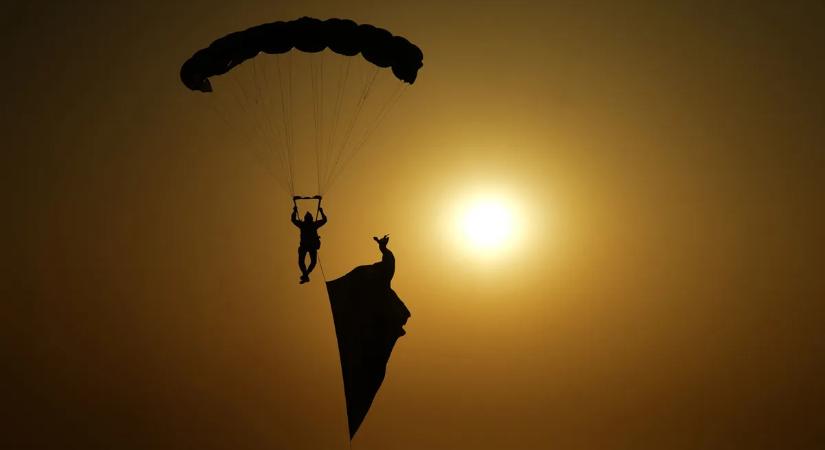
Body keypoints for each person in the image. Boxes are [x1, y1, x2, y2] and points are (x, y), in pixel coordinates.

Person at [292, 205, 327, 283]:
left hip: (311, 246)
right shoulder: (307, 225)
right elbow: (293, 220)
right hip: (306, 246)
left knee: (311, 262)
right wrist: (321, 211)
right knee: (304, 261)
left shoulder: (307, 225)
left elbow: (293, 220)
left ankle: (305, 274)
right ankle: (305, 274)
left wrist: (294, 211)